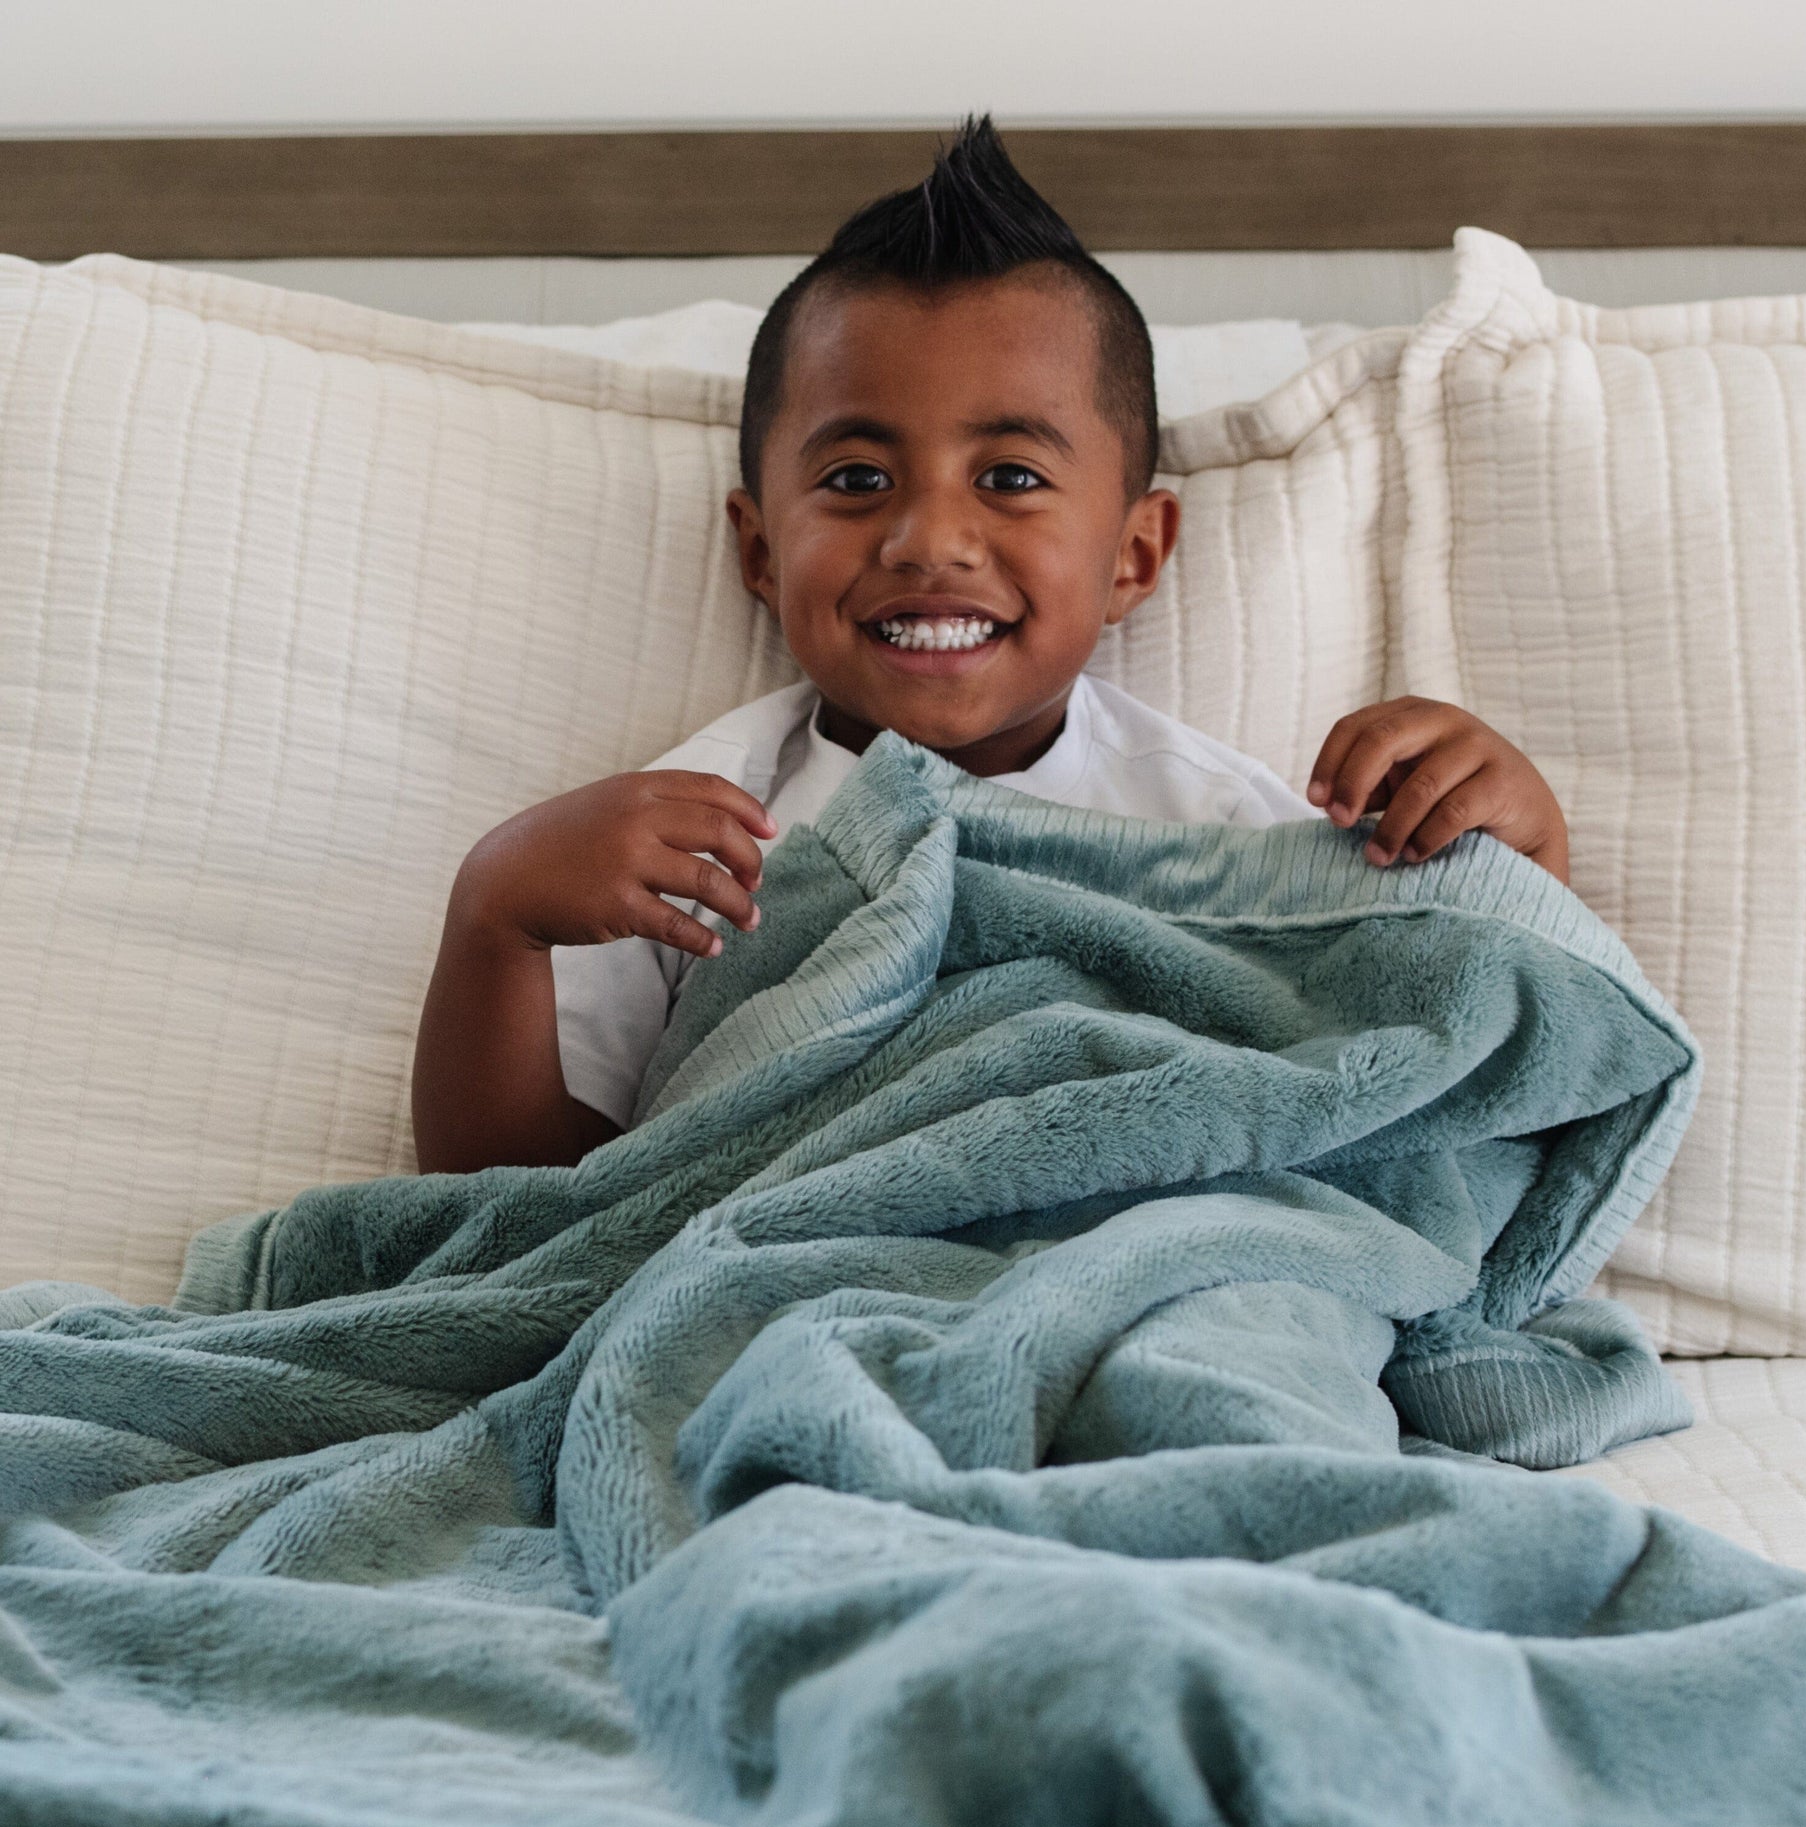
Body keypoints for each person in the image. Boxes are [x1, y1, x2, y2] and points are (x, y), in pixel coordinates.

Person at [412, 118, 1569, 1175]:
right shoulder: (698, 833)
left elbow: (1421, 1078)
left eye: (1010, 477)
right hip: (769, 1277)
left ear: (1132, 554)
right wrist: (496, 920)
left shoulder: (1211, 826)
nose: (928, 541)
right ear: (759, 554)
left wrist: (1519, 855)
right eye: (857, 479)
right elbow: (522, 1209)